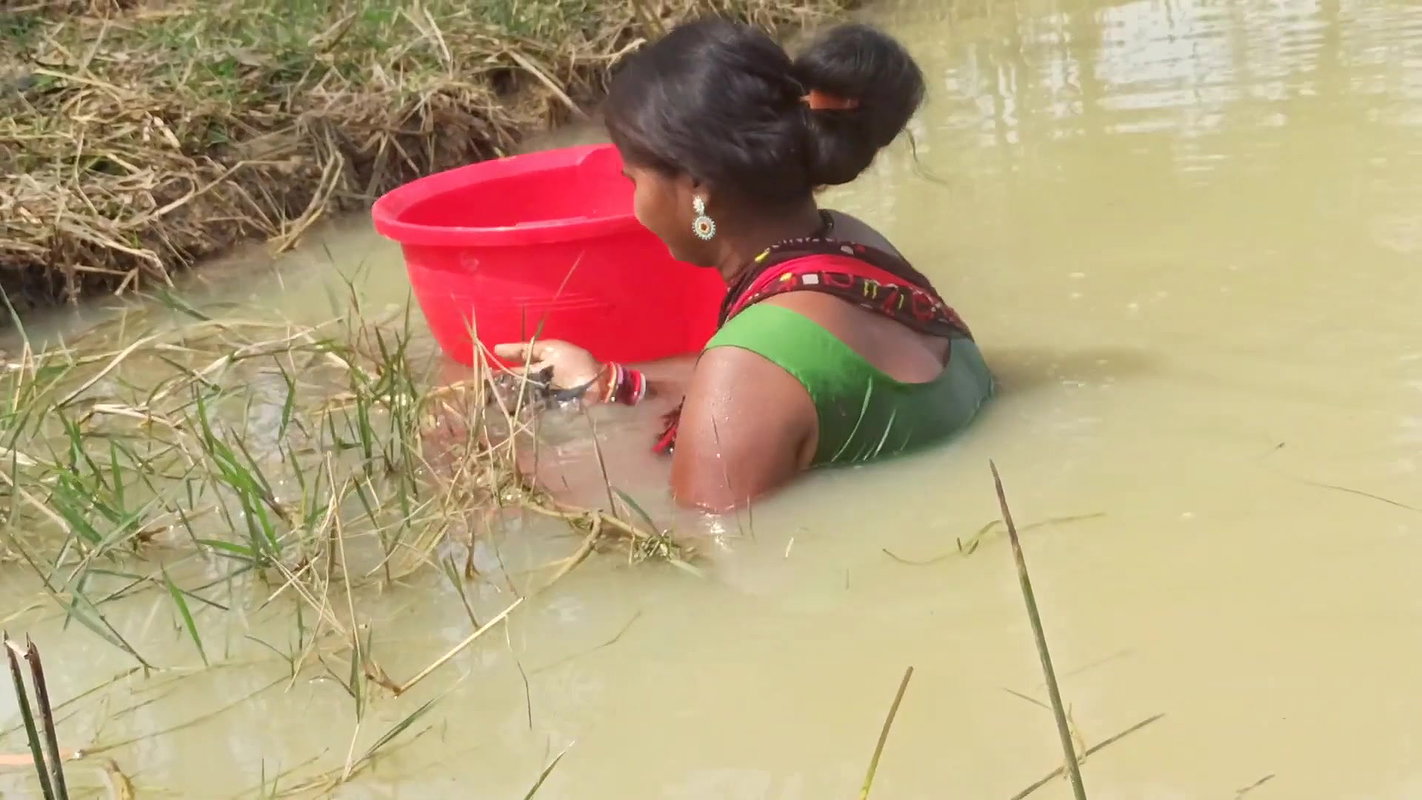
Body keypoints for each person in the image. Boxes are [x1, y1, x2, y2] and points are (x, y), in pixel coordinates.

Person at [494, 18, 993, 512]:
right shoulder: (855, 244)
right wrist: (607, 387)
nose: (636, 207)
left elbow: (709, 552)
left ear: (696, 185)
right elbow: (793, 394)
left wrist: (519, 473)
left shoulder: (749, 365)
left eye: (634, 181)